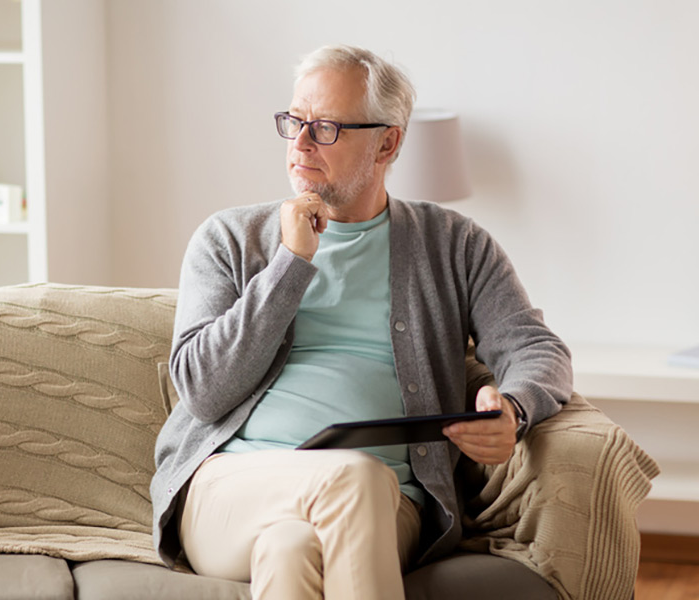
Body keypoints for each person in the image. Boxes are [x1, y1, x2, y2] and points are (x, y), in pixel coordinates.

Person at [150, 44, 573, 600]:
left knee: (290, 548)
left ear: (387, 142)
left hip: (390, 503)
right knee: (353, 477)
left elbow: (536, 347)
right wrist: (290, 265)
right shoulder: (228, 239)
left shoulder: (454, 245)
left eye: (325, 128)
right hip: (231, 488)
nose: (300, 143)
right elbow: (203, 392)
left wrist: (514, 407)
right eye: (294, 122)